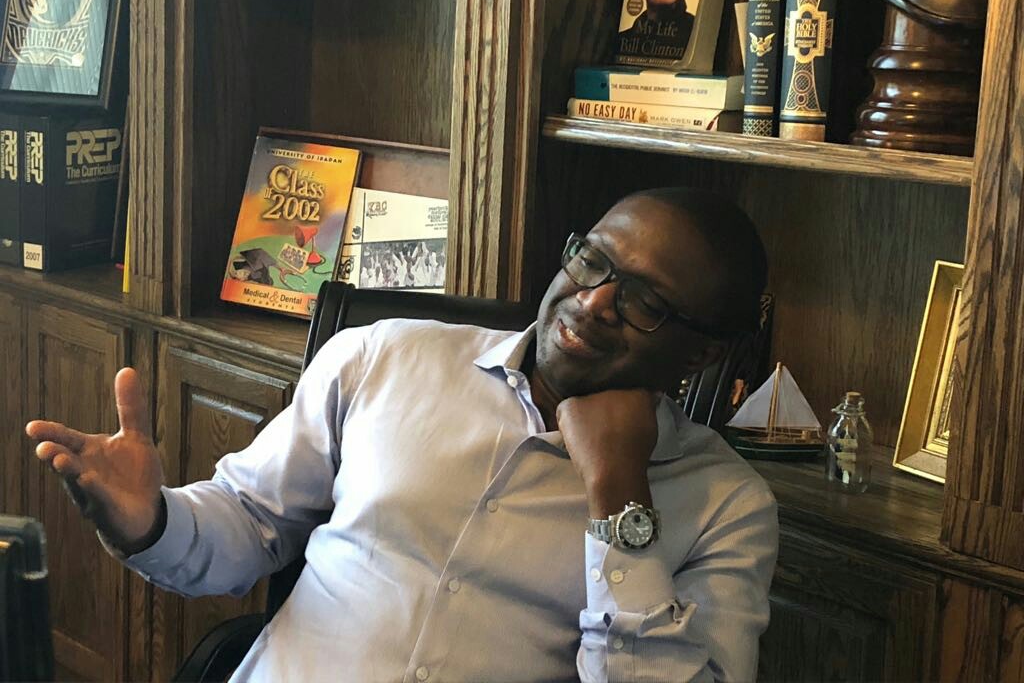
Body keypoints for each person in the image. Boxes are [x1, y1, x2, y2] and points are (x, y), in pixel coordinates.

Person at [26, 187, 778, 682]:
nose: (593, 301)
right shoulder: (383, 355)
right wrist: (152, 520)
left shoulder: (725, 507)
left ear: (703, 353)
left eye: (644, 301)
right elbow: (250, 519)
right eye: (593, 262)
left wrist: (619, 497)